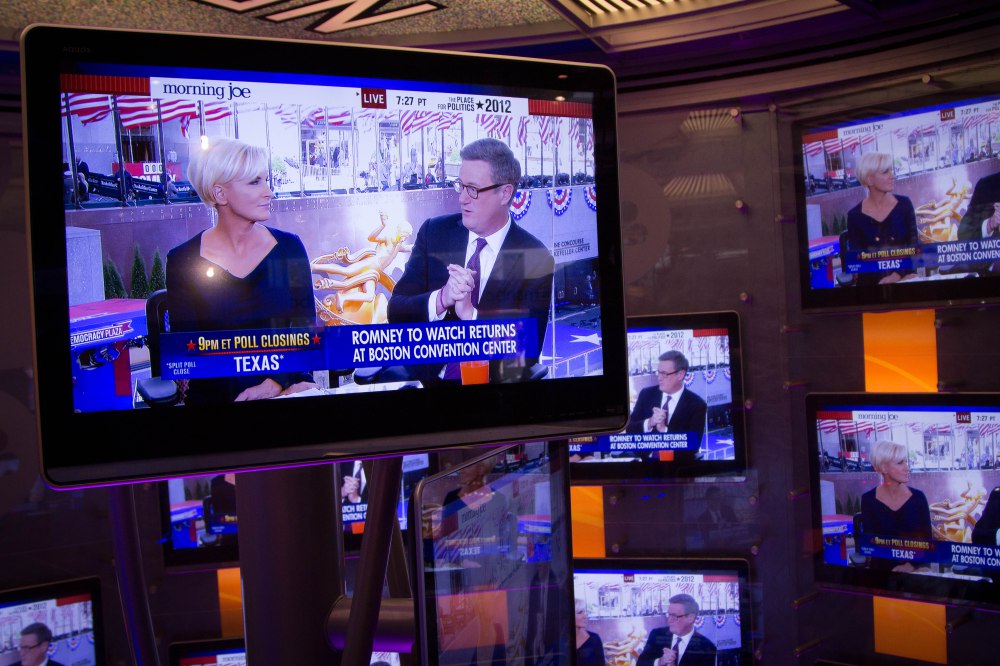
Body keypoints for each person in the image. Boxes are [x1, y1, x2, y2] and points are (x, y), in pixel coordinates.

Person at [387, 138, 554, 384]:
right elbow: (396, 310)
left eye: (473, 189)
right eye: (461, 186)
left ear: (505, 193)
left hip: (494, 401)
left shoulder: (535, 258)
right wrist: (442, 299)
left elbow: (525, 357)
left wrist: (471, 315)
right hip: (430, 391)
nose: (463, 198)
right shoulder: (435, 232)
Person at [166, 138, 316, 404]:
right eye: (254, 182)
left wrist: (279, 383)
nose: (269, 192)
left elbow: (306, 332)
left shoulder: (290, 247)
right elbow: (189, 356)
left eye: (267, 180)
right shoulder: (182, 260)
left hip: (287, 389)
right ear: (220, 194)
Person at [845, 152, 918, 286]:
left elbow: (915, 249)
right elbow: (859, 261)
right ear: (869, 180)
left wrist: (898, 275)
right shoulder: (855, 216)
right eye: (885, 172)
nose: (893, 176)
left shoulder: (905, 205)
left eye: (891, 170)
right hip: (872, 288)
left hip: (905, 281)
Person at [860, 439, 932, 572]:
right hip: (883, 573)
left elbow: (928, 543)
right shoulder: (868, 500)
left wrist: (911, 565)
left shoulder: (918, 498)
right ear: (883, 468)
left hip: (916, 571)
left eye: (906, 461)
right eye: (900, 463)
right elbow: (872, 546)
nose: (907, 467)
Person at [625, 350, 708, 458]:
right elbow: (629, 429)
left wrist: (664, 430)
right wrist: (649, 423)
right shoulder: (646, 394)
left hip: (678, 469)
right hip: (644, 466)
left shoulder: (697, 405)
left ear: (680, 374)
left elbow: (693, 446)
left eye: (664, 373)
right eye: (658, 372)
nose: (659, 378)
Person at [636, 594, 717, 666]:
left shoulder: (707, 648)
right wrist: (660, 662)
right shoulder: (657, 635)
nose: (669, 620)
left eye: (674, 616)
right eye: (669, 614)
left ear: (690, 618)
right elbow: (640, 663)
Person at [575, 598, 606, 666]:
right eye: (580, 612)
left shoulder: (594, 639)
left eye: (584, 612)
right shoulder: (560, 642)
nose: (585, 616)